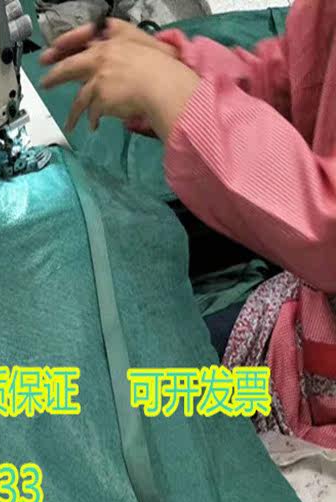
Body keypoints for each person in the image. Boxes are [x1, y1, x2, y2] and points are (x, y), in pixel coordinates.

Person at [39, 0, 336, 447]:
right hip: (306, 331)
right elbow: (302, 77)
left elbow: (325, 228)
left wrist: (172, 93)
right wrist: (179, 67)